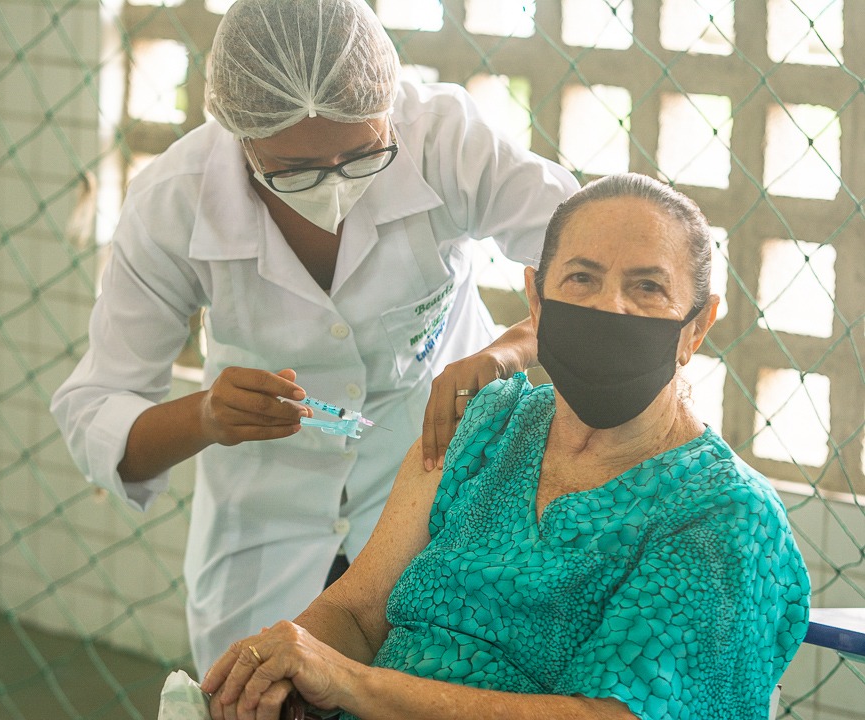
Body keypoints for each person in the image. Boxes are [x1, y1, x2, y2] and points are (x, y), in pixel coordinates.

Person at [50, 0, 578, 671]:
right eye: (293, 173)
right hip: (265, 533)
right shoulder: (174, 200)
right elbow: (96, 410)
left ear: (388, 107)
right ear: (237, 135)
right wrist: (207, 415)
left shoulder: (443, 139)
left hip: (432, 502)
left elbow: (590, 261)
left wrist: (505, 354)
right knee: (259, 695)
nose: (334, 191)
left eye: (362, 157)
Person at [201, 173, 811, 720]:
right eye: (582, 278)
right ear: (537, 301)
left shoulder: (726, 515)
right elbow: (357, 614)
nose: (609, 307)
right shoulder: (484, 427)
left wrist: (357, 687)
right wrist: (278, 667)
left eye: (648, 287)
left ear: (697, 326)